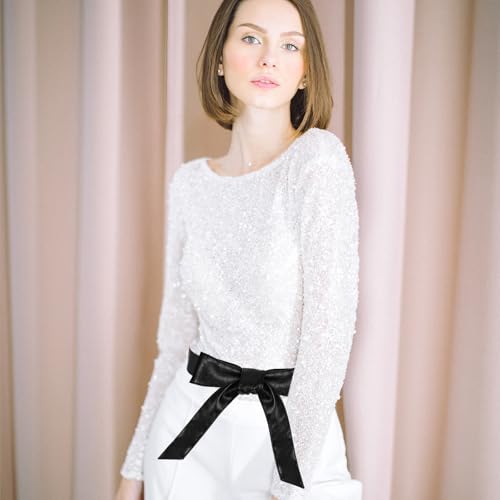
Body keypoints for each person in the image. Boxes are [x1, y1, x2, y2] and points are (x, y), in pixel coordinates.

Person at [115, 0, 362, 498]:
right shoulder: (189, 184)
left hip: (288, 436)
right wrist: (132, 471)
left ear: (306, 72)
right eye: (251, 38)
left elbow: (329, 339)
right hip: (187, 434)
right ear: (220, 59)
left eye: (289, 45)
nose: (269, 57)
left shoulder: (317, 161)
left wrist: (289, 485)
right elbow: (175, 341)